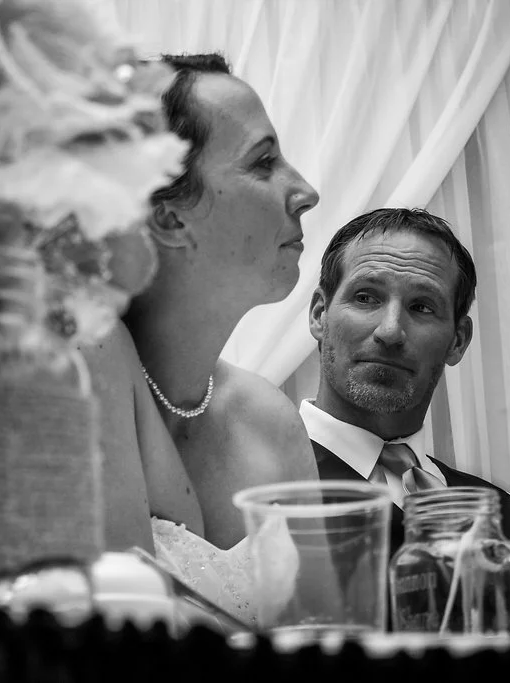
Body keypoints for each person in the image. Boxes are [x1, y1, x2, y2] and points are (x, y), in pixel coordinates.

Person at [80, 53, 321, 624]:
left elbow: (322, 625)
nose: (306, 191)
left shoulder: (271, 421)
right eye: (264, 162)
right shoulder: (76, 373)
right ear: (168, 219)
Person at [300, 207, 510, 635]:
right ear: (320, 313)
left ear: (458, 341)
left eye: (422, 306)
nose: (390, 331)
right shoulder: (252, 492)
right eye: (366, 297)